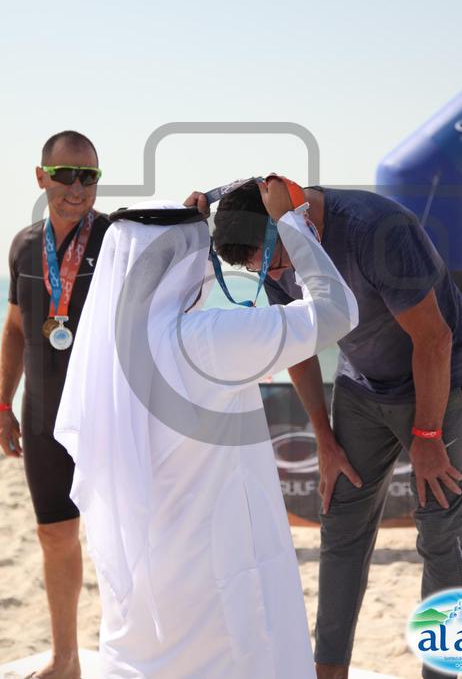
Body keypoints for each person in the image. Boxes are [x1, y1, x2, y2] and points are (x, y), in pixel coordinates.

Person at [53, 177, 359, 679]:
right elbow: (336, 312)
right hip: (215, 572)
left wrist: (181, 231)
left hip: (145, 573)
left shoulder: (106, 353)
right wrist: (290, 223)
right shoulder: (208, 341)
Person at [207, 181, 462, 679]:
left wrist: (428, 435)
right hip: (361, 387)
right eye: (261, 271)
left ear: (288, 218)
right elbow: (298, 345)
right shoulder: (271, 249)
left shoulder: (378, 230)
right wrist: (325, 439)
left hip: (437, 381)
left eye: (275, 261)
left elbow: (435, 340)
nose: (278, 275)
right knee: (341, 528)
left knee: (443, 535)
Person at [0, 131, 109, 679]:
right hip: (43, 416)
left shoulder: (115, 239)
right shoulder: (23, 245)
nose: (76, 188)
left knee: (124, 538)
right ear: (41, 176)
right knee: (54, 533)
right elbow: (17, 329)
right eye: (65, 175)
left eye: (88, 176)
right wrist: (3, 404)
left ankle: (139, 655)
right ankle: (66, 659)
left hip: (106, 416)